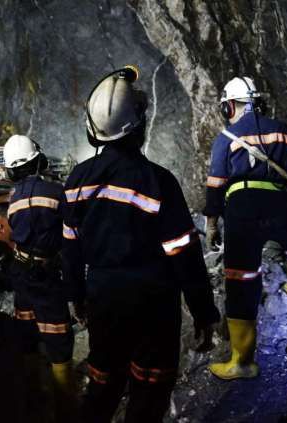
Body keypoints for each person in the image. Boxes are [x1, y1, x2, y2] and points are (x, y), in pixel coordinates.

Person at [62, 66, 219, 423]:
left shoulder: (76, 181)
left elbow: (69, 246)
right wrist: (203, 310)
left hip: (102, 295)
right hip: (152, 301)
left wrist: (76, 295)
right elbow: (183, 253)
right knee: (149, 390)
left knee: (102, 383)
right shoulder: (158, 182)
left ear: (92, 132)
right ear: (139, 126)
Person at [204, 76, 287, 380]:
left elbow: (215, 184)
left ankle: (242, 362)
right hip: (279, 199)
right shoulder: (283, 131)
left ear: (230, 105)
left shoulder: (226, 135)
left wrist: (212, 222)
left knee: (240, 277)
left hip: (241, 205)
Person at [3, 134, 78, 421]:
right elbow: (72, 236)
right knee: (58, 335)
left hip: (21, 273)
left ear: (10, 171)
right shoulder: (57, 192)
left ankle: (33, 400)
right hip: (48, 274)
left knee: (26, 334)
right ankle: (66, 408)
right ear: (40, 161)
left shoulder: (12, 200)